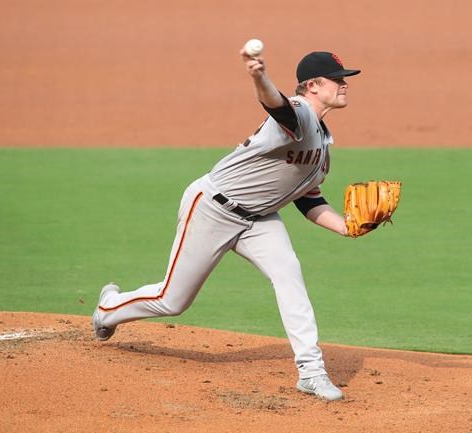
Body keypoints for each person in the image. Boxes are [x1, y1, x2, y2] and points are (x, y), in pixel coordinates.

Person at [92, 46, 361, 401]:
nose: (344, 85)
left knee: (289, 274)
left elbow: (307, 199)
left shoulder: (323, 148)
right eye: (337, 79)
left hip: (259, 219)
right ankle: (108, 309)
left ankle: (311, 372)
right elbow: (276, 104)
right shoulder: (300, 114)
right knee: (173, 300)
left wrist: (345, 227)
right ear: (311, 85)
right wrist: (258, 75)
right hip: (213, 208)